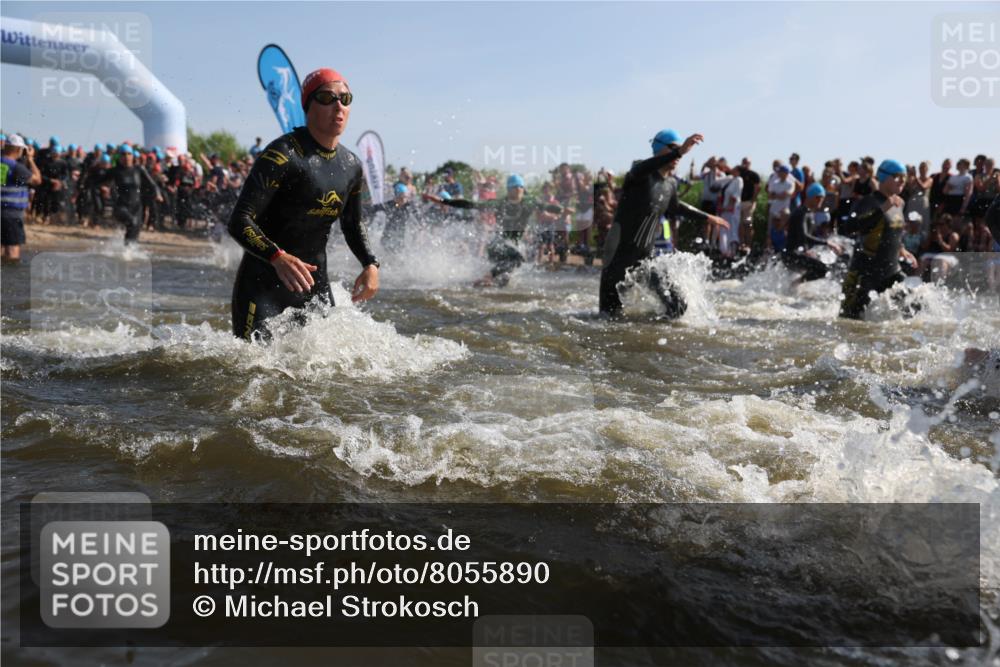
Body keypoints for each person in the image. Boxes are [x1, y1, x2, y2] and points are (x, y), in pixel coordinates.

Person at [228, 67, 380, 341]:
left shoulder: (351, 166)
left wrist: (370, 264)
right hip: (264, 283)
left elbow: (352, 223)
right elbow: (240, 220)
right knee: (250, 372)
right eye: (327, 97)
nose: (338, 106)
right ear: (308, 106)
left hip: (314, 286)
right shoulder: (282, 155)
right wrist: (277, 256)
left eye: (345, 99)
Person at [598, 129, 728, 318]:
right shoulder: (640, 173)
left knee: (678, 306)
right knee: (609, 317)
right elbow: (639, 170)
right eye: (673, 148)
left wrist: (707, 217)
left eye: (680, 149)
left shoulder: (670, 184)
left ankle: (654, 341)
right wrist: (680, 151)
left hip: (646, 259)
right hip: (618, 256)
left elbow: (675, 206)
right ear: (660, 149)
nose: (680, 154)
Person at [424, 173, 569, 286]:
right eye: (515, 187)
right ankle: (486, 278)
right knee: (518, 259)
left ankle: (483, 283)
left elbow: (547, 206)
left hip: (509, 246)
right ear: (509, 189)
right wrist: (445, 201)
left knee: (505, 280)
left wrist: (561, 209)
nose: (518, 190)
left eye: (520, 187)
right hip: (496, 245)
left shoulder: (530, 202)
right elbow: (471, 204)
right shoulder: (499, 203)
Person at [839, 159, 918, 320]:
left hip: (891, 271)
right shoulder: (868, 201)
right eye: (897, 176)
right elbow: (850, 227)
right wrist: (881, 210)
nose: (902, 180)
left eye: (904, 176)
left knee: (914, 309)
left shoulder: (900, 203)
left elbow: (891, 230)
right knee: (849, 322)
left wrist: (902, 248)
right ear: (883, 177)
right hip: (865, 273)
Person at [98, 146, 164, 244]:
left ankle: (126, 254)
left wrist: (158, 194)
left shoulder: (139, 169)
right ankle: (125, 252)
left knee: (134, 234)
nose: (126, 157)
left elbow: (153, 185)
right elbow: (98, 182)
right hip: (121, 206)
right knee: (132, 223)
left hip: (137, 207)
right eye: (123, 154)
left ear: (133, 156)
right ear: (119, 157)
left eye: (129, 154)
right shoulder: (115, 171)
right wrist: (103, 188)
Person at [781, 183, 843, 286]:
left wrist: (806, 250)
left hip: (795, 254)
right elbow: (804, 236)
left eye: (822, 198)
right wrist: (828, 243)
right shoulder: (802, 213)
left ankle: (794, 287)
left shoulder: (808, 213)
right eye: (817, 198)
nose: (820, 201)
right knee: (822, 269)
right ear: (809, 197)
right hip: (791, 256)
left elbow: (798, 237)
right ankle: (794, 285)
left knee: (821, 266)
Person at [1, 134, 42, 262]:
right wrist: (30, 159)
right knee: (12, 250)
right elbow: (37, 180)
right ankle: (10, 279)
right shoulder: (16, 167)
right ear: (18, 149)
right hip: (11, 214)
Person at [738, 157, 761, 247]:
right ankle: (741, 243)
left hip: (749, 202)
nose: (745, 164)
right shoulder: (740, 174)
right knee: (740, 224)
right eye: (743, 162)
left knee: (748, 224)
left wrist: (753, 200)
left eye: (747, 162)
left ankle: (748, 244)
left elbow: (757, 188)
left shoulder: (753, 175)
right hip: (740, 202)